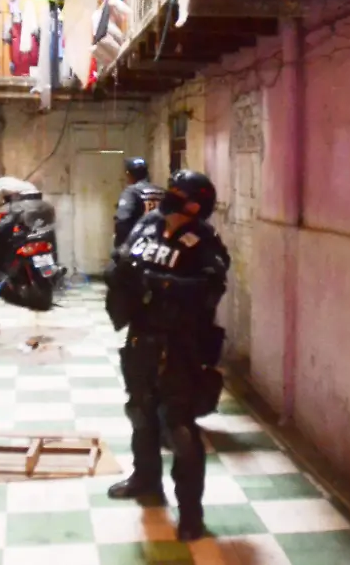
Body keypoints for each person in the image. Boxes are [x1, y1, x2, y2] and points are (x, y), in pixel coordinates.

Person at [104, 170, 230, 542]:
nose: (172, 198)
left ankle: (190, 513)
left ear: (196, 205)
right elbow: (122, 259)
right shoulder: (148, 224)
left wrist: (160, 284)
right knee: (140, 410)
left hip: (180, 344)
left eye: (181, 194)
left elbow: (209, 288)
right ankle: (146, 479)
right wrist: (121, 274)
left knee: (180, 428)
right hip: (141, 337)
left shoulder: (204, 241)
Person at [113, 157, 165, 250]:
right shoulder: (161, 192)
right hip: (158, 245)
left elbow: (122, 220)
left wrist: (122, 245)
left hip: (137, 246)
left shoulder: (131, 192)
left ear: (128, 174)